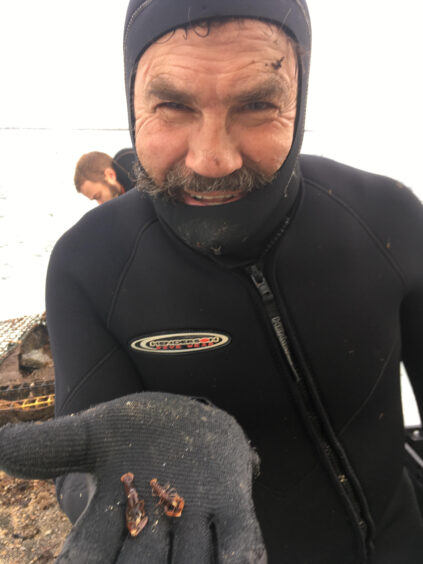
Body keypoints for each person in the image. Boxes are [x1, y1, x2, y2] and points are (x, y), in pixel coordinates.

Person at [1, 0, 423, 562]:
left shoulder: (385, 217)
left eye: (257, 105)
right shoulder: (90, 265)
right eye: (173, 106)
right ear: (133, 102)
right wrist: (134, 476)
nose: (211, 159)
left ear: (299, 102)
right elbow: (84, 468)